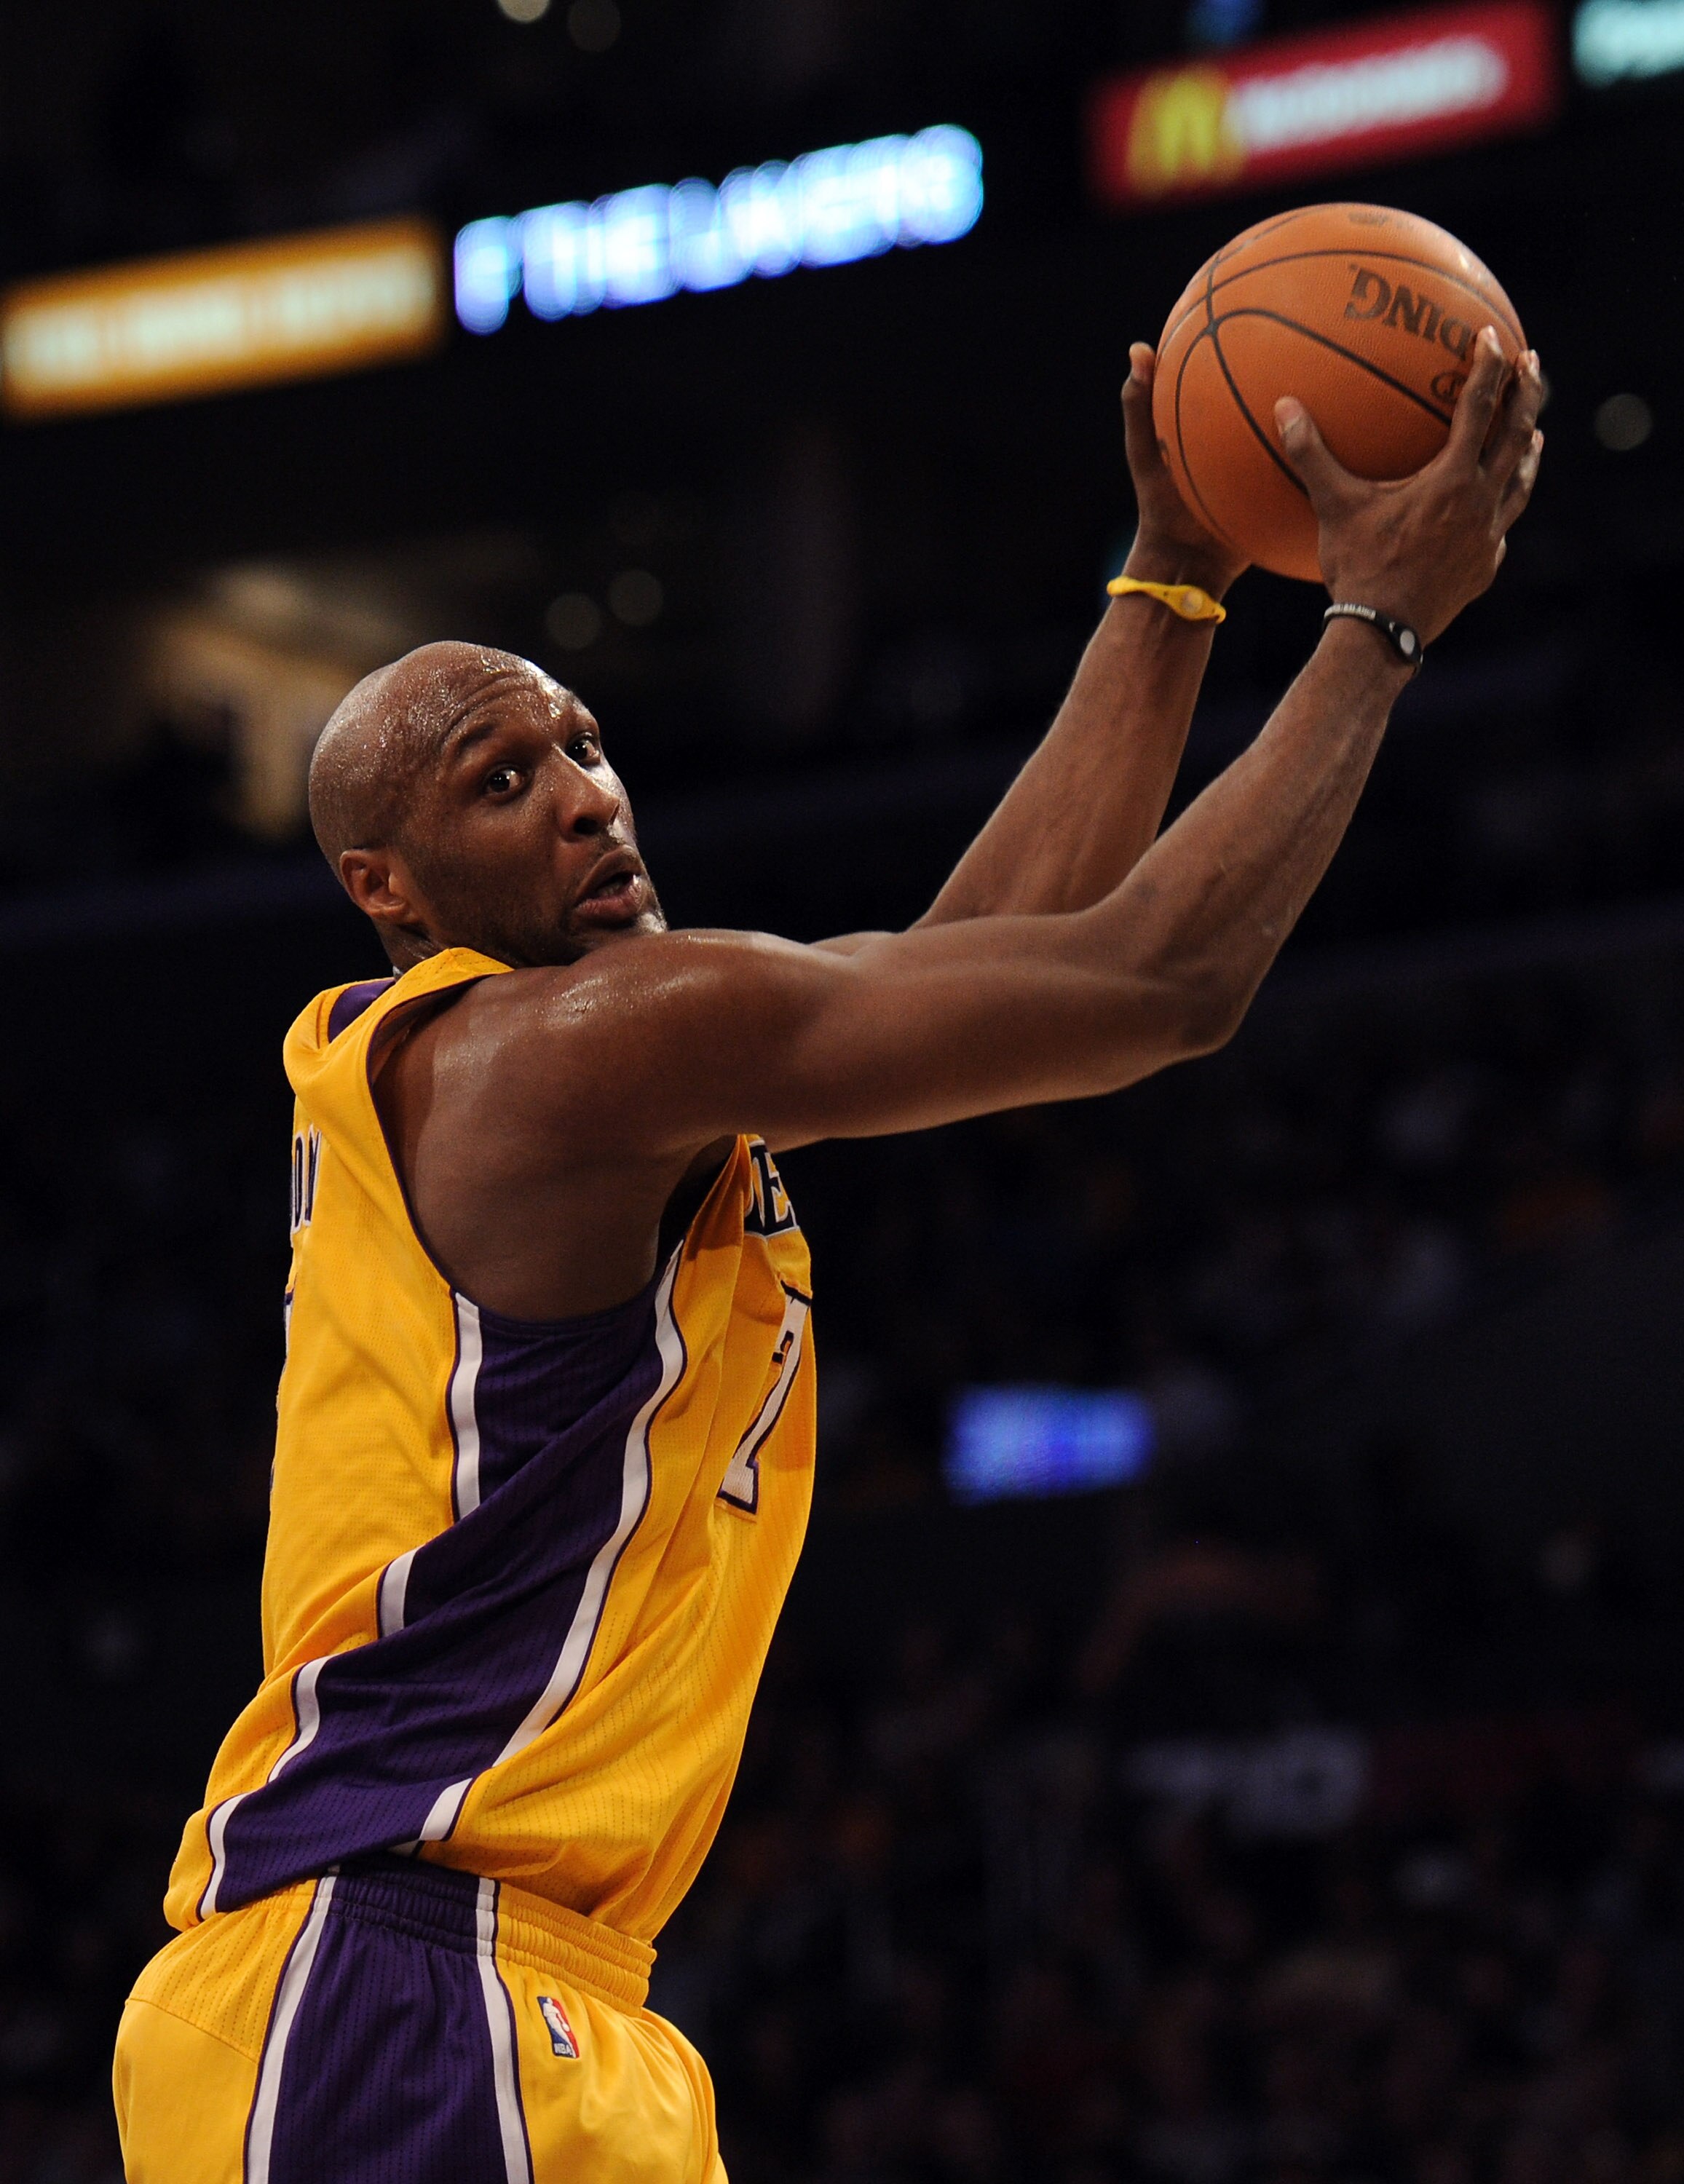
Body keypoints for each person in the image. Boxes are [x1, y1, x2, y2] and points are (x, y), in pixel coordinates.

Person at [111, 331, 1543, 2181]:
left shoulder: (603, 1081)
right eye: (498, 782)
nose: (583, 796)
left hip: (538, 1987)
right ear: (384, 888)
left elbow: (979, 956)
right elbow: (1153, 984)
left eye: (586, 744)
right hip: (393, 1968)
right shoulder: (552, 1054)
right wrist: (1377, 629)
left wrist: (1174, 578)